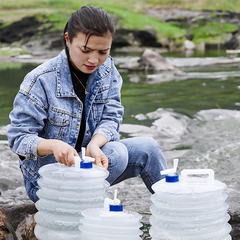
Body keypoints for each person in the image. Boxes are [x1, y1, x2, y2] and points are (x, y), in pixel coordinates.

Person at [7, 6, 167, 203]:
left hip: (87, 166)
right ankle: (86, 211)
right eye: (86, 50)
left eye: (103, 51)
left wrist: (95, 143)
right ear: (68, 40)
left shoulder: (107, 70)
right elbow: (18, 138)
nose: (94, 59)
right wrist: (54, 146)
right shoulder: (40, 80)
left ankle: (175, 212)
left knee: (148, 148)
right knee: (116, 154)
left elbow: (112, 116)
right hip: (46, 181)